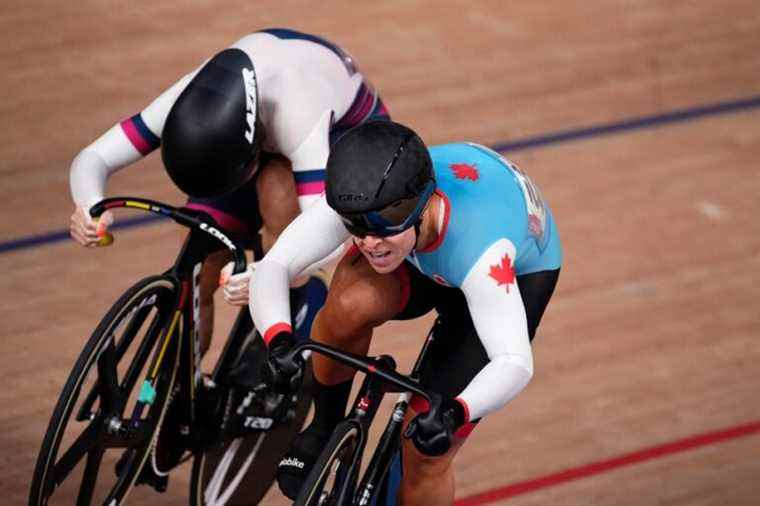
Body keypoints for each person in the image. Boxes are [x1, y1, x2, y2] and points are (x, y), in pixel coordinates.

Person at [250, 120, 562, 503]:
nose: (367, 242)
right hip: (422, 254)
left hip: (512, 271)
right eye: (356, 229)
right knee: (347, 306)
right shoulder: (365, 199)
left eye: (382, 229)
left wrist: (456, 412)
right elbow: (275, 265)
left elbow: (514, 361)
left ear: (420, 205)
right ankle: (324, 427)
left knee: (426, 453)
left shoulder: (481, 251)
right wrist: (278, 337)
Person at [68, 28, 391, 363]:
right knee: (200, 259)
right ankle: (179, 387)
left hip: (346, 132)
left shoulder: (299, 115)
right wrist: (89, 205)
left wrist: (272, 272)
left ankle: (292, 303)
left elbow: (329, 230)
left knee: (277, 191)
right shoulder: (186, 98)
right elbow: (94, 157)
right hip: (257, 129)